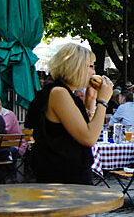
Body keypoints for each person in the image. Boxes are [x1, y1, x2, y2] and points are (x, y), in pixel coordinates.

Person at [25, 43, 113, 184]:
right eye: (90, 66)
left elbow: (84, 129)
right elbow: (89, 138)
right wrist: (103, 102)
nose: (93, 72)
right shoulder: (59, 93)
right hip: (63, 178)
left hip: (66, 173)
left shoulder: (62, 92)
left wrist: (91, 99)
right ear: (76, 67)